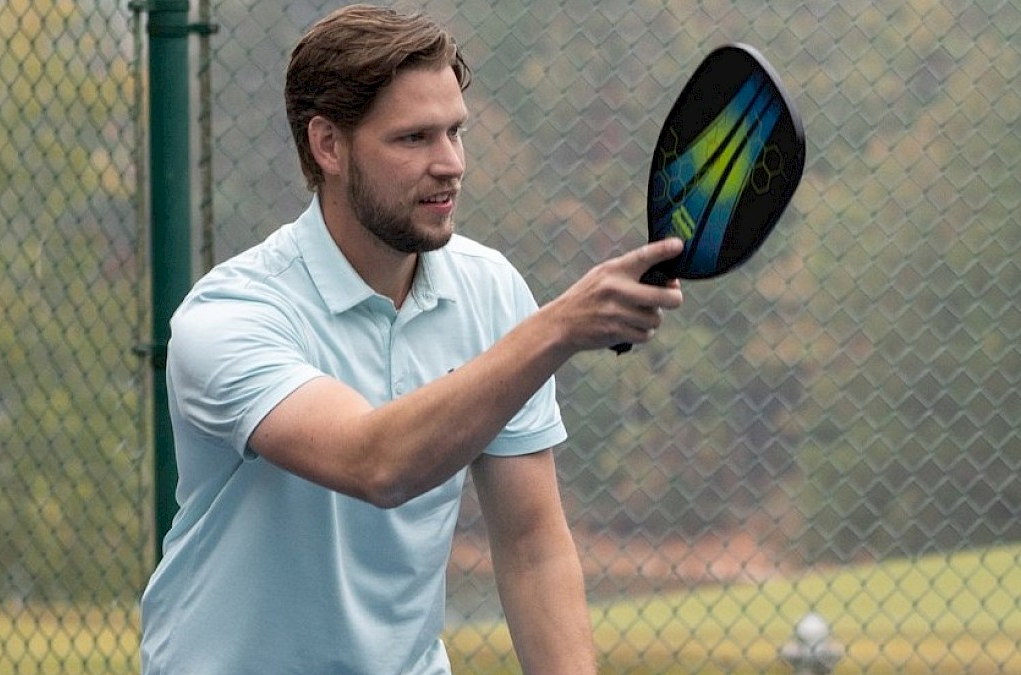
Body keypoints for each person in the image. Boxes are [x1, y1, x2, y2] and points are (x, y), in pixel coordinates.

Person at [139, 4, 684, 674]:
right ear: (328, 146)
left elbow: (531, 542)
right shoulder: (229, 316)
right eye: (414, 138)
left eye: (455, 132)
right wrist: (561, 326)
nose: (450, 163)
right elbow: (377, 462)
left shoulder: (491, 292)